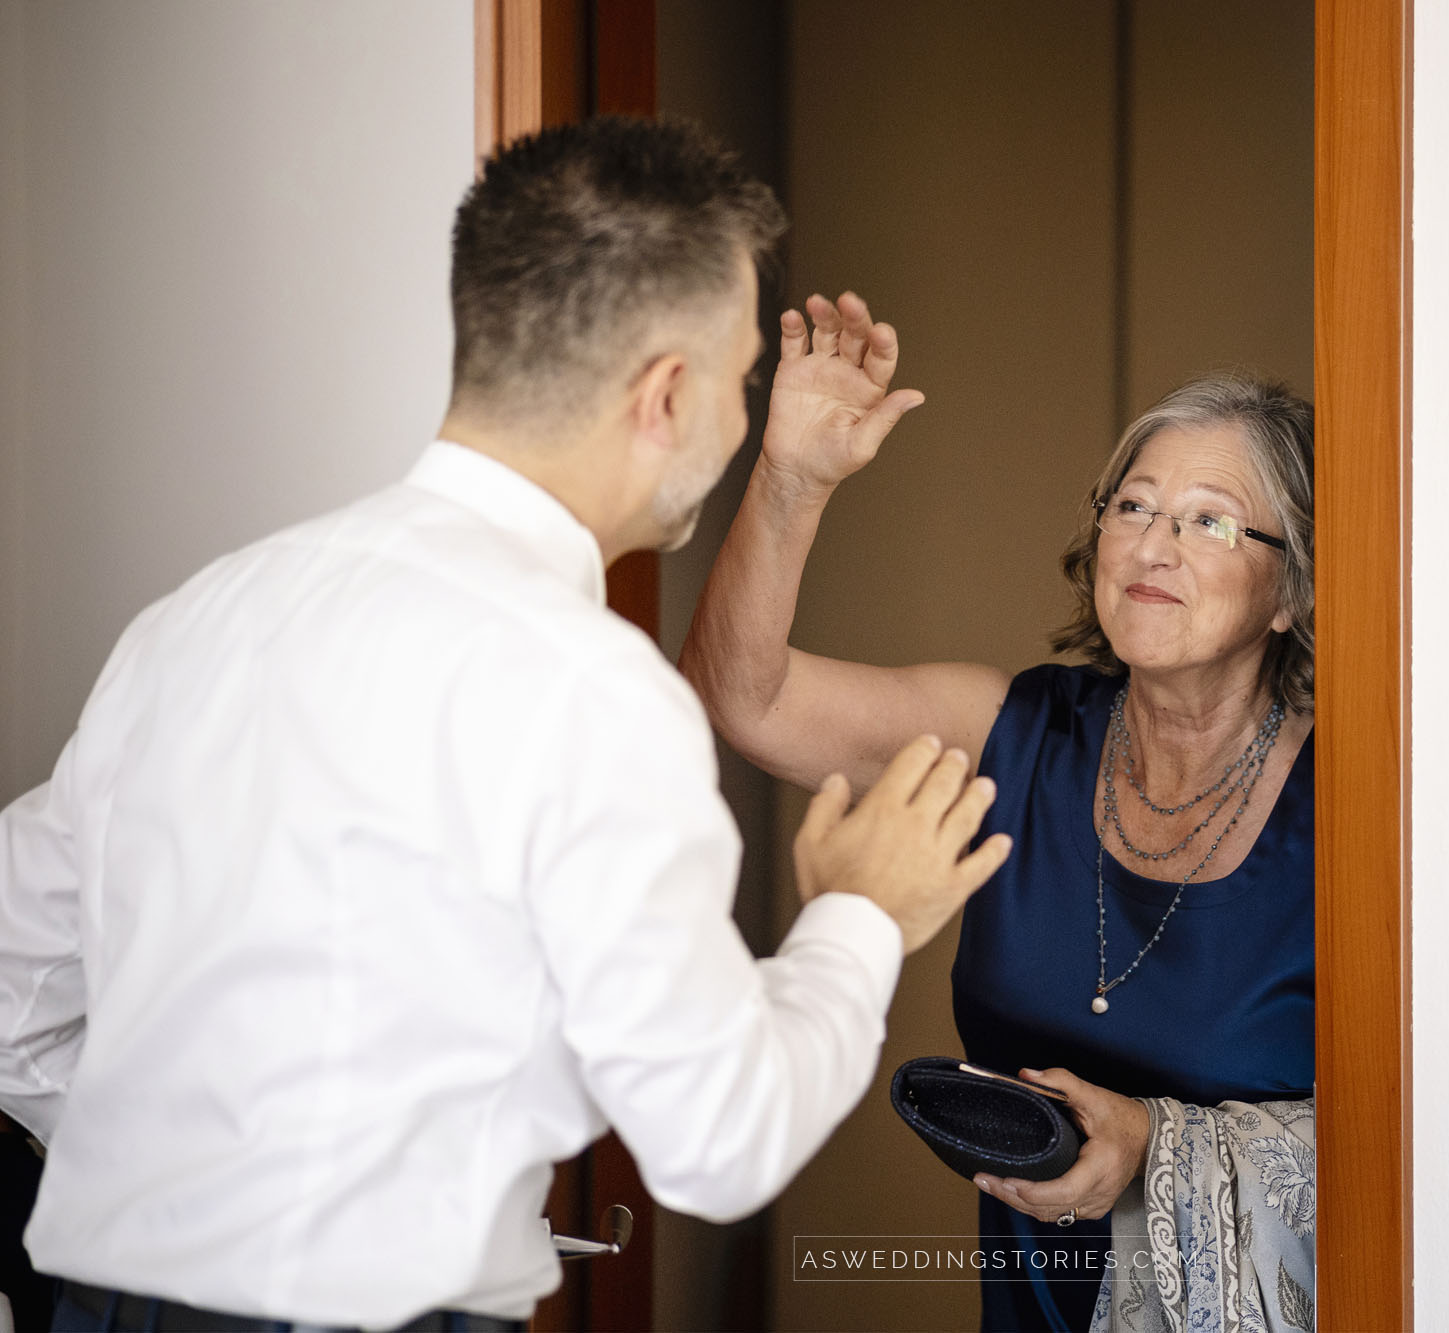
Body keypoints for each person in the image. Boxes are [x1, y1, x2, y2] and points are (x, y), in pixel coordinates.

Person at [0, 117, 1009, 1333]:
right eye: (743, 379)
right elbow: (718, 1142)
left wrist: (182, 1192)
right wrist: (859, 913)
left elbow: (12, 996)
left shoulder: (197, 620)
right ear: (668, 395)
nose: (743, 422)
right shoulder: (587, 688)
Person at [679, 304, 1318, 1333]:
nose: (1154, 544)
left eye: (1207, 519)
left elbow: (1411, 1143)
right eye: (1133, 506)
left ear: (1286, 589)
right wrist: (791, 478)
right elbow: (740, 698)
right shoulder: (1010, 733)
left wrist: (1152, 1145)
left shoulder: (1355, 815)